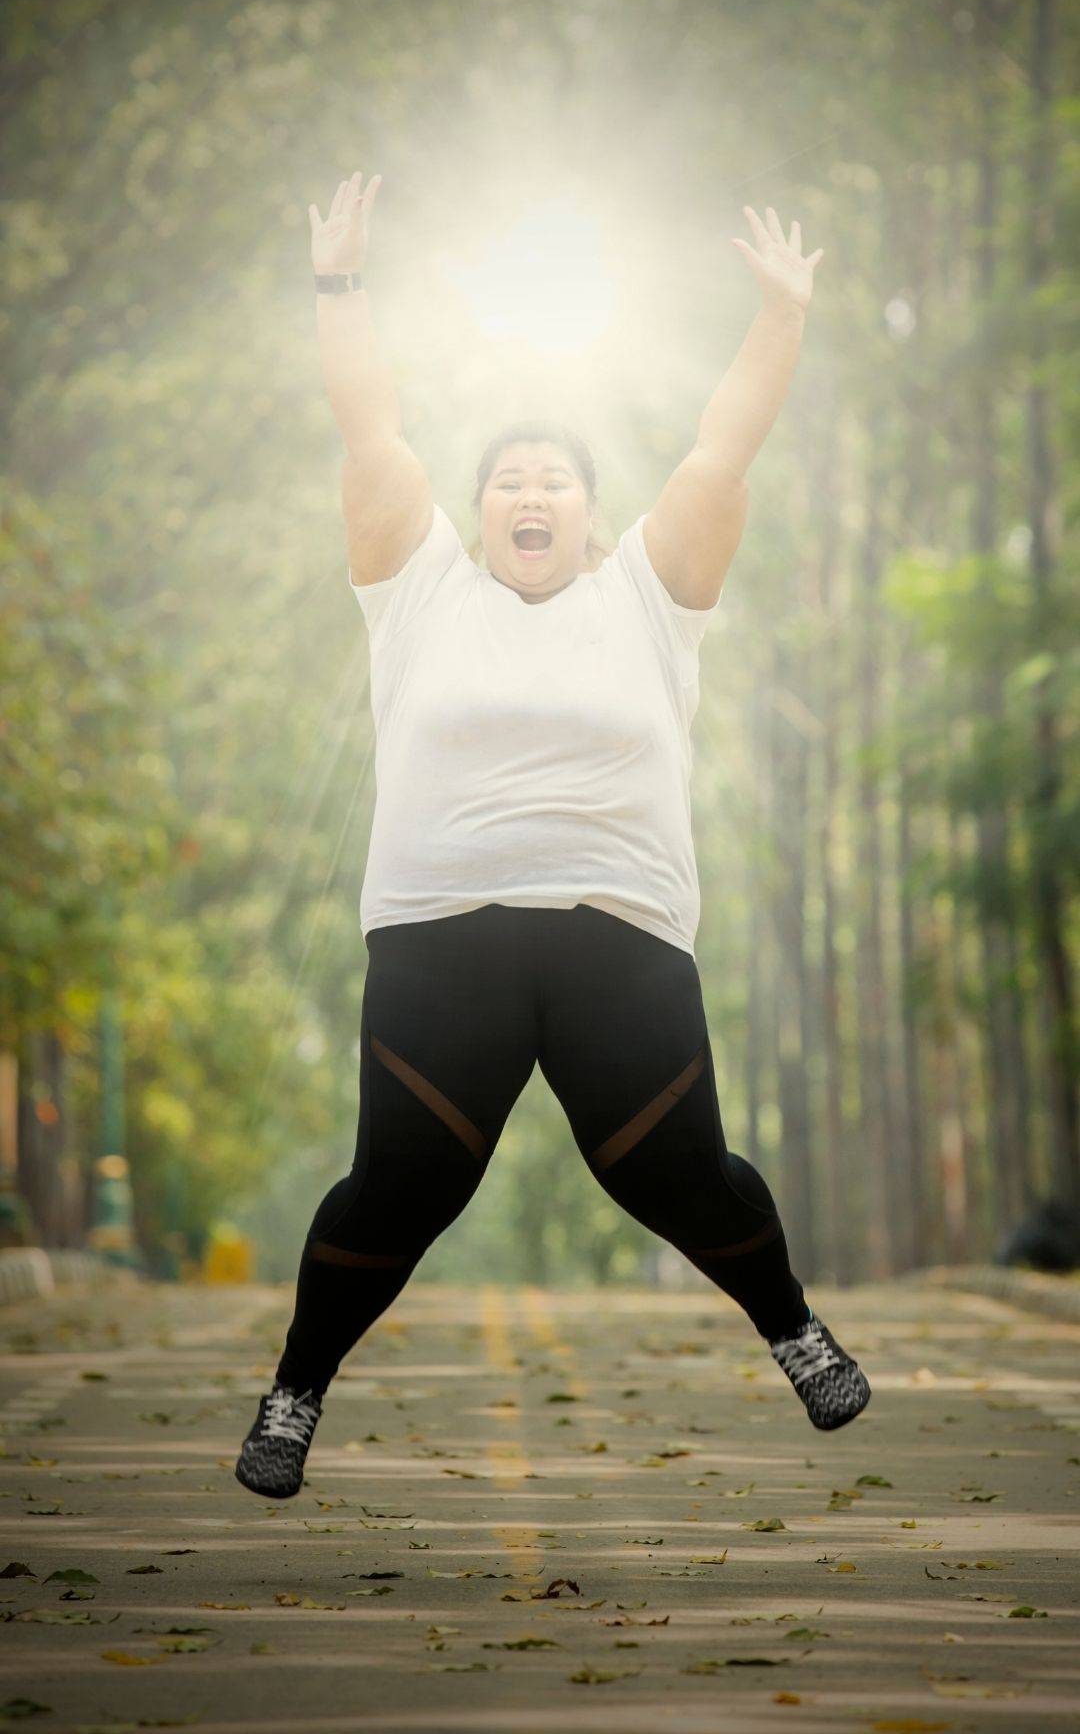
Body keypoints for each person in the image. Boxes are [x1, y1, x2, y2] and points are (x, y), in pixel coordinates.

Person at [235, 170, 869, 1500]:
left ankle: (795, 1330)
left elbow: (723, 449)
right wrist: (338, 283)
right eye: (511, 480)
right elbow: (371, 431)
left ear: (589, 513)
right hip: (438, 938)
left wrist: (783, 318)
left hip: (621, 938)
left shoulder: (651, 593)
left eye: (557, 481)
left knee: (686, 1177)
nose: (533, 494)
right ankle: (295, 1392)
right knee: (396, 1196)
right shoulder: (418, 590)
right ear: (481, 516)